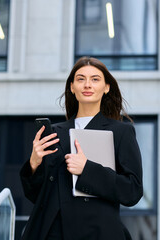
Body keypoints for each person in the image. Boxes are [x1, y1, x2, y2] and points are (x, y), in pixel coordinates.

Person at [20, 56, 143, 240]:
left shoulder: (121, 132)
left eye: (95, 79)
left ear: (106, 87)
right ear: (72, 87)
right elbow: (37, 196)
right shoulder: (54, 132)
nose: (87, 85)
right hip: (53, 232)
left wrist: (87, 170)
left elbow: (132, 191)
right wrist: (34, 165)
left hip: (98, 232)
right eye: (80, 79)